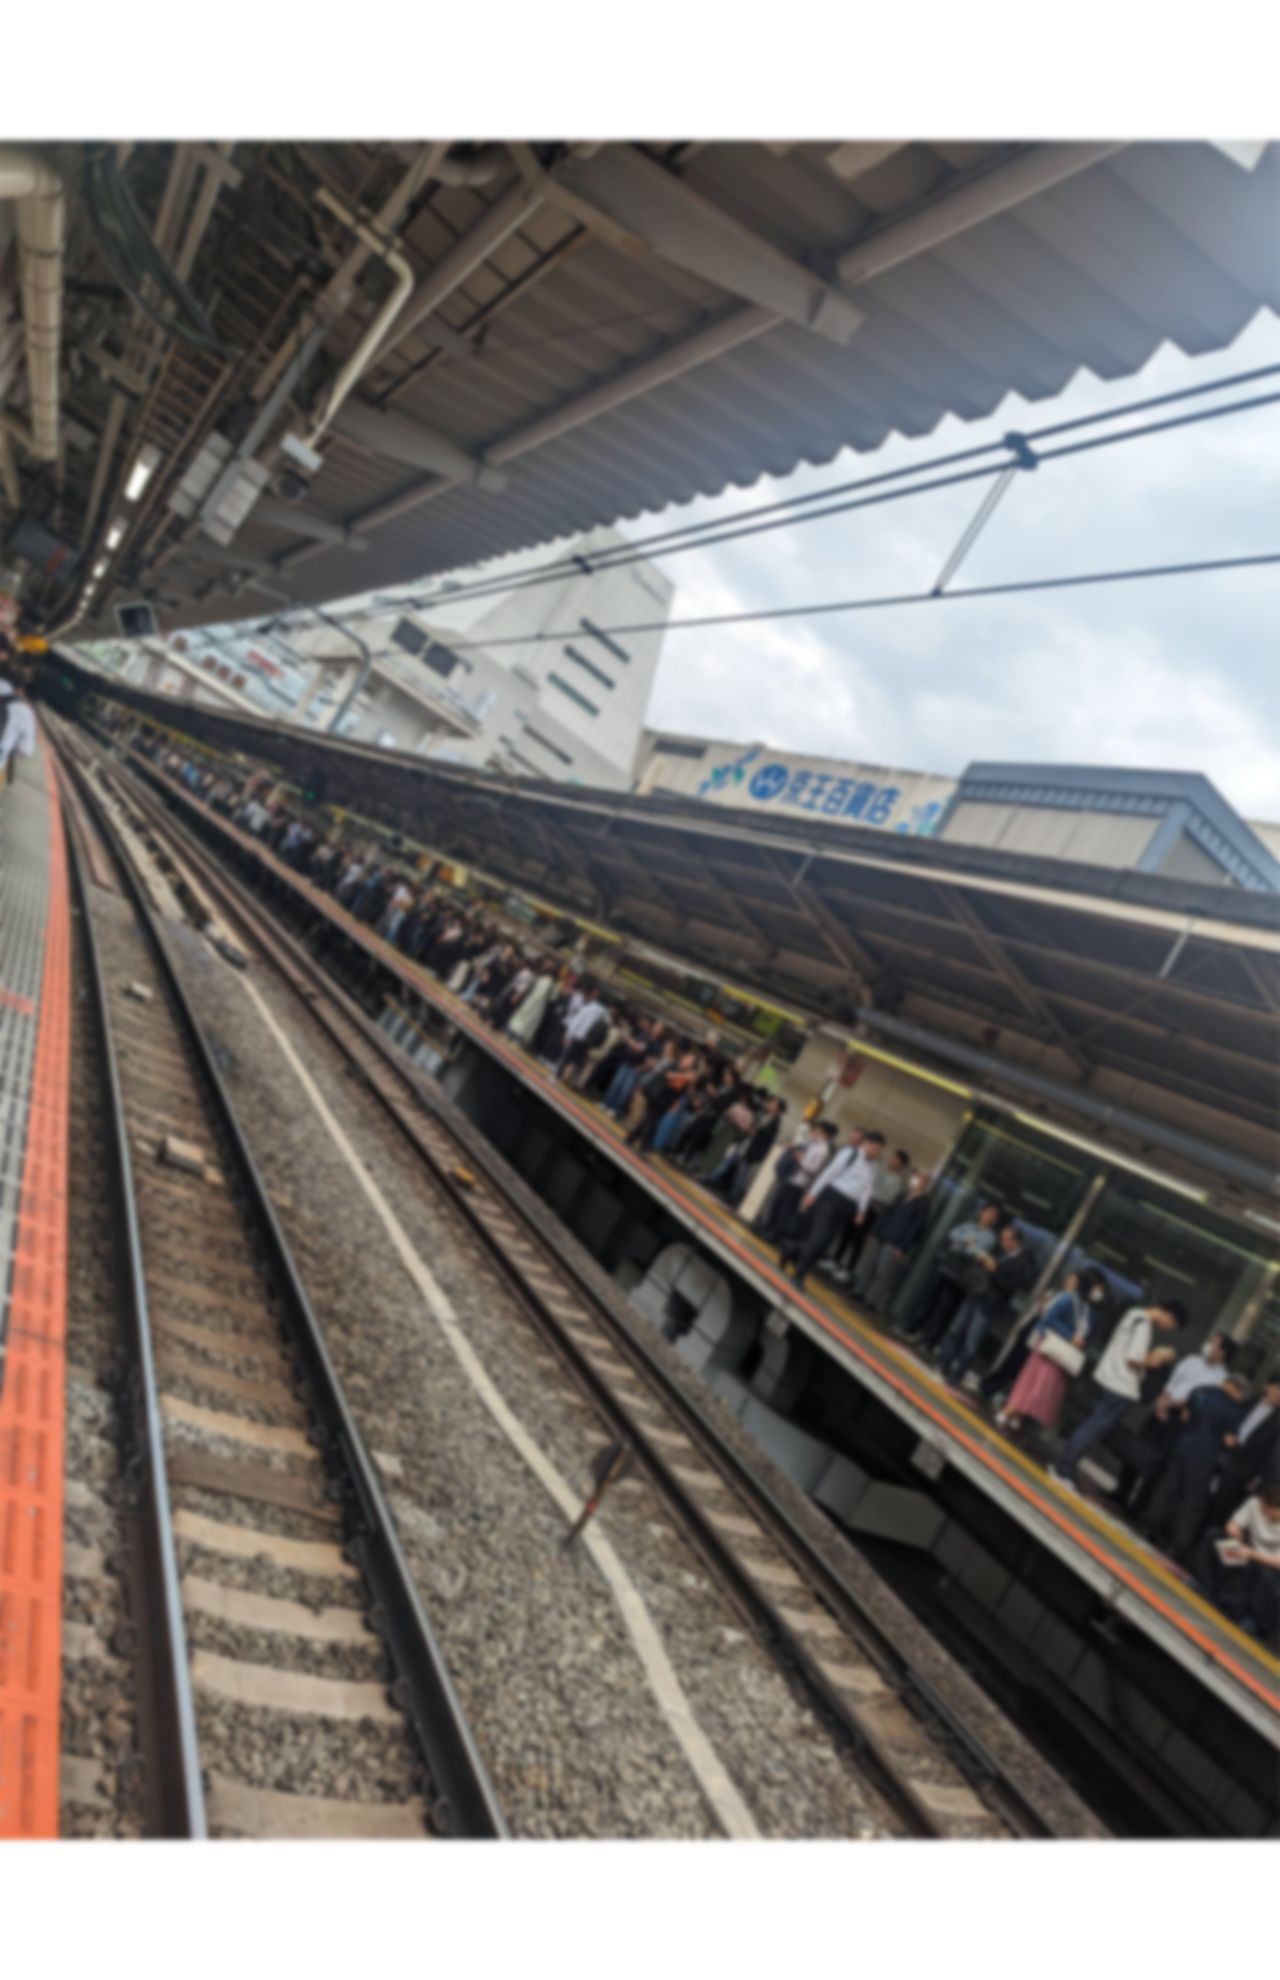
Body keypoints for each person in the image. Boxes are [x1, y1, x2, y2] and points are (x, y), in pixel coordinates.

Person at [1050, 1299, 1187, 1493]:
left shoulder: (1133, 1314)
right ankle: (1063, 1469)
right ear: (1169, 1316)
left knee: (1091, 1426)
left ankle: (1065, 1466)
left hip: (1107, 1378)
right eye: (1172, 1326)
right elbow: (1134, 1359)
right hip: (1121, 1386)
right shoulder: (1144, 1325)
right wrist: (1157, 1359)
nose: (1167, 1329)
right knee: (1093, 1430)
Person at [1110, 1332, 1237, 1515]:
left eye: (1214, 1344)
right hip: (1163, 1407)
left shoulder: (1221, 1379)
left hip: (1181, 1419)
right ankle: (1122, 1491)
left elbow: (1198, 1401)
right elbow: (1173, 1382)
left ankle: (1140, 1506)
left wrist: (1172, 1405)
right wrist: (1162, 1401)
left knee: (1160, 1464)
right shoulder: (1192, 1360)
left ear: (1222, 1353)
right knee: (1138, 1449)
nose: (1209, 1345)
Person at [1145, 1374, 1249, 1560]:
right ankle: (1178, 1543)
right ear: (1236, 1389)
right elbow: (1230, 1440)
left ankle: (1151, 1525)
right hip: (1205, 1456)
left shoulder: (1200, 1390)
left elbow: (1185, 1417)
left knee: (1168, 1487)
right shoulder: (1233, 1409)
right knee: (1193, 1501)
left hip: (1183, 1445)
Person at [995, 1268, 1107, 1434]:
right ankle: (1008, 1412)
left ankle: (1018, 1416)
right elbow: (1048, 1318)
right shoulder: (1069, 1298)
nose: (1099, 1294)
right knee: (1033, 1385)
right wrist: (1070, 1337)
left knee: (1042, 1388)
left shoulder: (1088, 1310)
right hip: (1049, 1350)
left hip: (1061, 1356)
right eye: (1098, 1288)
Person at [936, 1219, 1039, 1388]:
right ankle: (943, 1364)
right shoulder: (1000, 1252)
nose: (1002, 1242)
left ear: (1015, 1242)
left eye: (1006, 1239)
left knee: (971, 1342)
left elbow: (1012, 1287)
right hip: (976, 1293)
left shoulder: (1023, 1265)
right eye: (1002, 1238)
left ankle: (957, 1375)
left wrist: (994, 1270)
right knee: (955, 1329)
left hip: (990, 1303)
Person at [785, 1132, 884, 1291]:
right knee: (818, 1238)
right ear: (868, 1144)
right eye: (876, 1148)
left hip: (847, 1206)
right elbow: (828, 1174)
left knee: (825, 1244)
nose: (877, 1153)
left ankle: (792, 1248)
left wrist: (861, 1211)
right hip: (831, 1198)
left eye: (879, 1150)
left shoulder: (874, 1166)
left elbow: (867, 1190)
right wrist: (812, 1194)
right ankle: (799, 1274)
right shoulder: (850, 1154)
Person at [901, 1202, 1002, 1350]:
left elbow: (977, 1253)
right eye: (988, 1213)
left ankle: (929, 1341)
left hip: (960, 1277)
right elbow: (952, 1235)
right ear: (982, 1212)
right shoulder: (968, 1225)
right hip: (946, 1268)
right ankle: (912, 1328)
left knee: (943, 1309)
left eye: (993, 1216)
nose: (989, 1217)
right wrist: (965, 1243)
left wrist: (967, 1245)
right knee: (929, 1299)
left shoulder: (990, 1237)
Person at [1192, 1480, 1280, 1644]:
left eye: (1272, 1511)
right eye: (1266, 1508)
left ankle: (1248, 1619)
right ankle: (1204, 1586)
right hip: (1245, 1552)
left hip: (1268, 1566)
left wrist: (1252, 1554)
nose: (1267, 1513)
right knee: (1214, 1537)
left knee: (1264, 1579)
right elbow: (1232, 1525)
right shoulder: (1255, 1504)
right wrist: (1235, 1535)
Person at [853, 1171, 932, 1313]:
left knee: (883, 1272)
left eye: (919, 1178)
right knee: (870, 1264)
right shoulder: (902, 1195)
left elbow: (915, 1228)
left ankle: (872, 1300)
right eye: (915, 1177)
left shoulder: (922, 1204)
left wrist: (903, 1247)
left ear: (925, 1183)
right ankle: (859, 1290)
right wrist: (876, 1231)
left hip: (896, 1242)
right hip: (883, 1234)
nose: (915, 1180)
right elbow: (887, 1213)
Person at [756, 1121, 836, 1248]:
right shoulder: (813, 1143)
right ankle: (767, 1229)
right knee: (777, 1204)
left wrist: (800, 1160)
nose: (816, 1132)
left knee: (785, 1211)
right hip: (791, 1177)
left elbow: (813, 1170)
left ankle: (774, 1236)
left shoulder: (823, 1150)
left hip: (799, 1183)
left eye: (819, 1130)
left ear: (826, 1134)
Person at [1210, 1375, 1280, 1517]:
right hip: (1221, 1450)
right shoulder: (1248, 1401)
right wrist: (1227, 1433)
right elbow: (1227, 1418)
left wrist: (1257, 1478)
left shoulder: (1278, 1419)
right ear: (1267, 1386)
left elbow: (1270, 1453)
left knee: (1221, 1504)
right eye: (1278, 1388)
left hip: (1244, 1466)